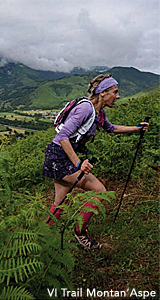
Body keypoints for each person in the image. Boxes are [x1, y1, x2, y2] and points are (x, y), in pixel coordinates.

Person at [43, 74, 149, 250]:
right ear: (103, 93)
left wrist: (137, 129)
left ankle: (42, 237)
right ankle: (80, 233)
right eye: (115, 92)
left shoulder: (99, 112)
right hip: (60, 157)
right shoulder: (85, 109)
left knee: (60, 201)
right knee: (99, 191)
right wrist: (78, 164)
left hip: (57, 155)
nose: (118, 96)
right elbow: (62, 136)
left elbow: (111, 128)